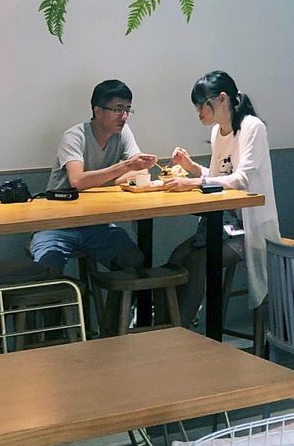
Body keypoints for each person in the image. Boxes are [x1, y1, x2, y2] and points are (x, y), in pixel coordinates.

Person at [164, 71, 281, 329]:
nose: (199, 113)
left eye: (202, 105)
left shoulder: (252, 127)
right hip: (223, 224)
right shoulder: (219, 131)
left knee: (197, 261)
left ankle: (180, 329)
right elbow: (219, 178)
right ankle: (167, 326)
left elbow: (241, 179)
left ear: (222, 99)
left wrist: (192, 182)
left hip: (249, 229)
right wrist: (192, 167)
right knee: (177, 255)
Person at [29, 79, 157, 276]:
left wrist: (105, 180)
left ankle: (114, 299)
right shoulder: (75, 136)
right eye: (118, 109)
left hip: (97, 224)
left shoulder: (123, 133)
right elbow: (77, 181)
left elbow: (142, 171)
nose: (124, 116)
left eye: (127, 110)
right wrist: (125, 166)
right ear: (98, 110)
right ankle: (67, 298)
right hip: (56, 224)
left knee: (134, 261)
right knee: (48, 269)